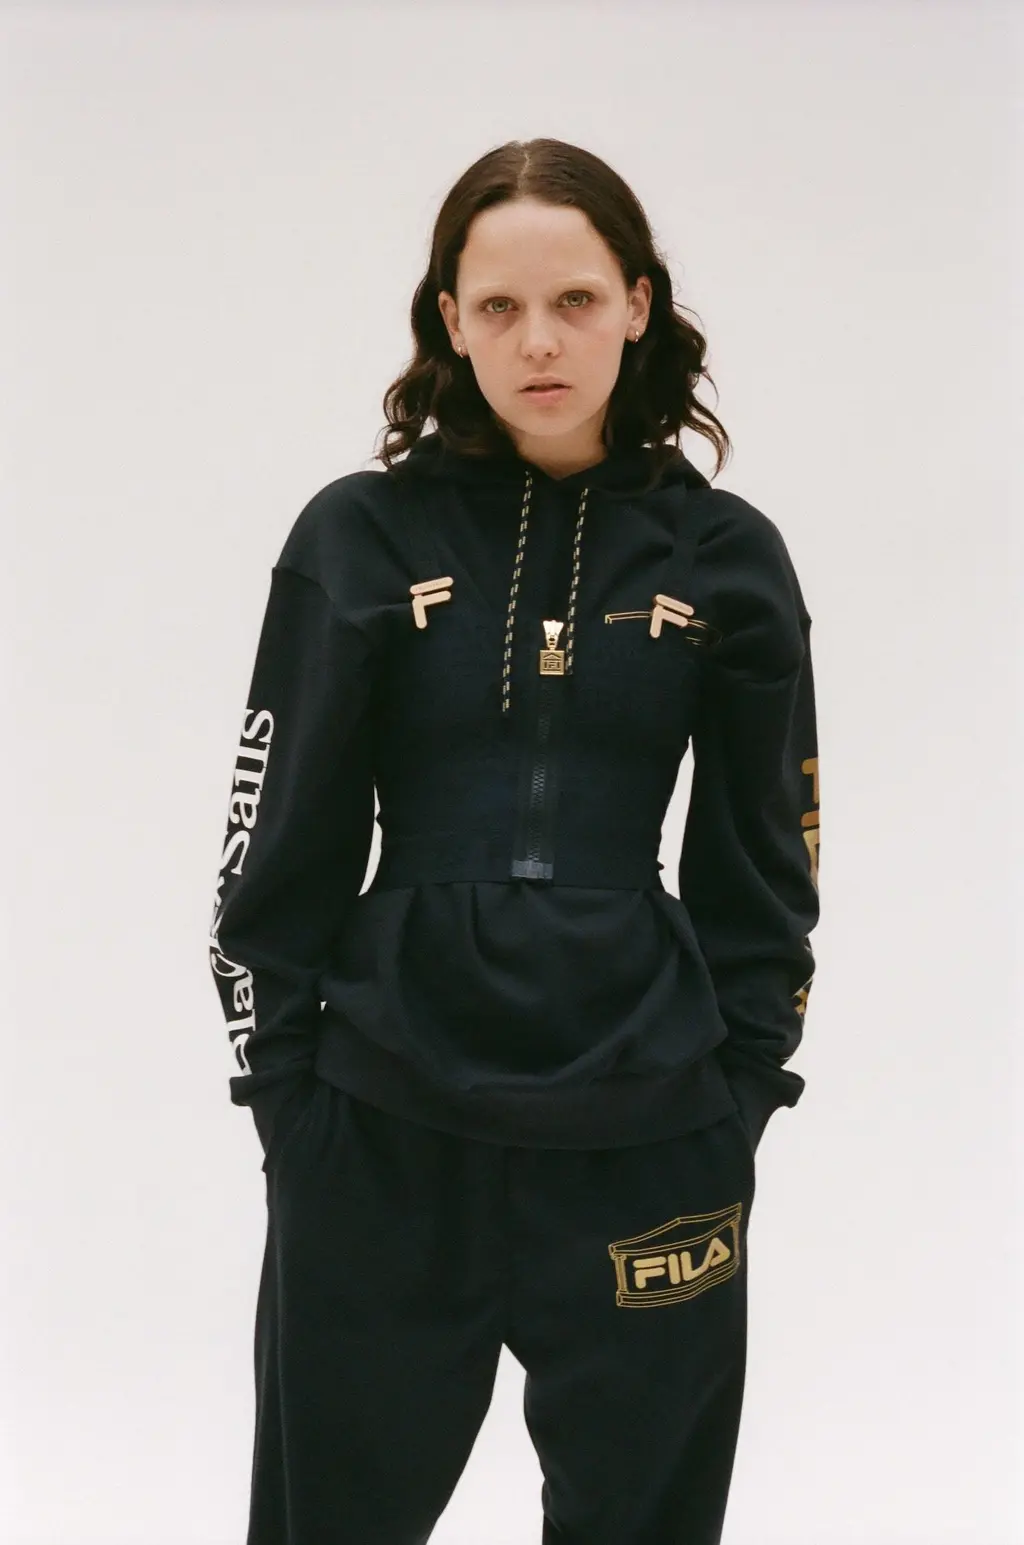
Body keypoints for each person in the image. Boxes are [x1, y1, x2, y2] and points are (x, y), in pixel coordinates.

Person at [208, 136, 821, 1545]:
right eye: (498, 306)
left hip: (651, 1137)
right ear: (450, 319)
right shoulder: (358, 537)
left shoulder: (728, 559)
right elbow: (276, 839)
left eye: (576, 301)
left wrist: (738, 1098)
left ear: (638, 306)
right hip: (377, 1125)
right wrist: (285, 1099)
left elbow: (765, 862)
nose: (538, 341)